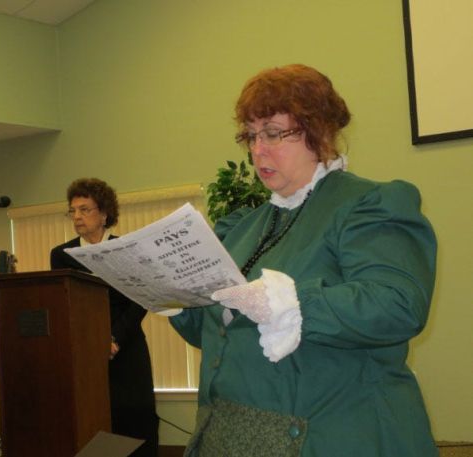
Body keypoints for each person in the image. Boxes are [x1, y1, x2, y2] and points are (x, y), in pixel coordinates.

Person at [168, 64, 438, 456]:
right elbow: (222, 333)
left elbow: (398, 304)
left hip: (331, 438)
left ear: (319, 131)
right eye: (251, 135)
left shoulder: (367, 205)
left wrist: (291, 303)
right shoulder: (242, 228)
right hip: (231, 437)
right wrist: (174, 296)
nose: (258, 149)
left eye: (273, 133)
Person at [50, 178, 159, 457]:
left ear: (104, 213)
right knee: (93, 420)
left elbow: (139, 299)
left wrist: (115, 339)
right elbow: (64, 304)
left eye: (84, 209)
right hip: (85, 353)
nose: (77, 216)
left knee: (136, 417)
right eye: (72, 210)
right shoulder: (62, 255)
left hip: (127, 343)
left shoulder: (126, 248)